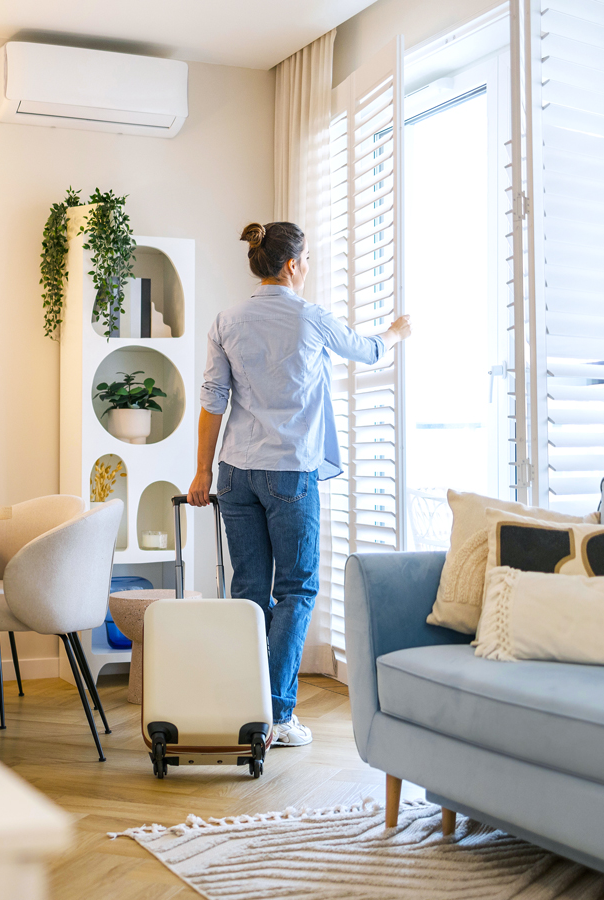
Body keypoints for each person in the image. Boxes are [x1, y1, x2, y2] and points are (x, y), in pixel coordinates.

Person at [188, 221, 411, 747]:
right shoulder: (311, 318)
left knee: (248, 591)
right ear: (291, 265)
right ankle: (278, 716)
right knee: (296, 588)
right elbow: (370, 351)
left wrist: (202, 472)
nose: (308, 266)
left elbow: (212, 400)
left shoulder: (227, 320)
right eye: (306, 258)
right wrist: (398, 330)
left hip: (235, 473)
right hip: (289, 473)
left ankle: (244, 709)